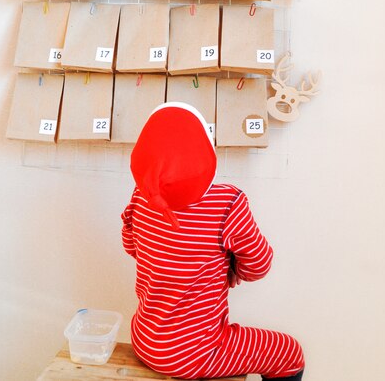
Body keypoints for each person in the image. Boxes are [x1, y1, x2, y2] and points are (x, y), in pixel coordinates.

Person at [121, 102, 305, 380]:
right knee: (290, 354)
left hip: (145, 340)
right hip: (195, 353)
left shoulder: (142, 197)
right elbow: (260, 265)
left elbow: (132, 247)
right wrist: (234, 269)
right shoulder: (226, 203)